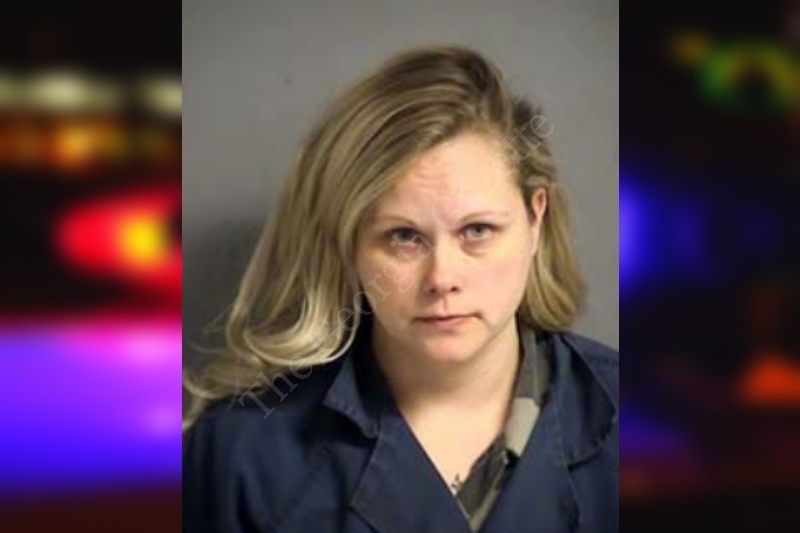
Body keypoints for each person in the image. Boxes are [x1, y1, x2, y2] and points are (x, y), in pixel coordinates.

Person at [182, 45, 618, 533]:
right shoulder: (239, 456)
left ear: (535, 219)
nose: (442, 279)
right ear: (349, 243)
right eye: (403, 237)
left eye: (477, 230)